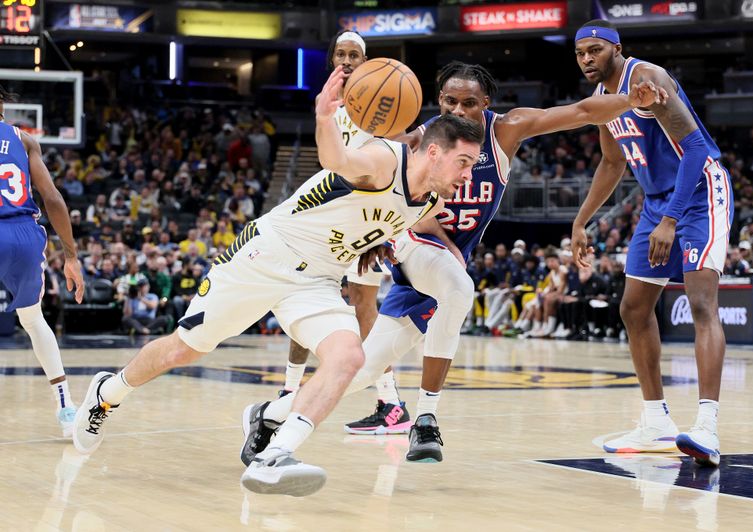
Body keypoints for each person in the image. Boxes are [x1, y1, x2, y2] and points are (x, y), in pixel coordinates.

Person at [72, 66, 484, 498]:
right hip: (265, 257)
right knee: (184, 349)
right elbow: (337, 160)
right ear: (434, 153)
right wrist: (325, 119)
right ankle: (108, 391)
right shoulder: (384, 160)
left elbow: (378, 222)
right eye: (464, 163)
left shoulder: (431, 199)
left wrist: (374, 242)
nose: (468, 175)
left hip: (317, 280)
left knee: (347, 359)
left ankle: (276, 456)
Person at [242, 60, 666, 463]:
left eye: (468, 103)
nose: (458, 110)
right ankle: (426, 418)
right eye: (449, 102)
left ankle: (268, 415)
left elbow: (583, 110)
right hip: (416, 245)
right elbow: (381, 194)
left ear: (486, 105)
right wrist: (374, 235)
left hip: (439, 265)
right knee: (460, 287)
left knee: (357, 372)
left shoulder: (506, 130)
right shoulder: (419, 142)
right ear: (439, 101)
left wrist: (632, 101)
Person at [571, 20, 733, 466]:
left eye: (596, 50)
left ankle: (707, 426)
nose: (587, 58)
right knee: (633, 308)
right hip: (658, 200)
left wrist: (670, 219)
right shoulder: (604, 101)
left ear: (617, 49)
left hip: (700, 192)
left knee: (702, 303)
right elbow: (610, 161)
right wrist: (581, 220)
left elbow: (697, 148)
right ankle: (656, 421)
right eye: (581, 52)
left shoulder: (647, 78)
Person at [278, 30, 410, 427]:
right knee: (302, 292)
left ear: (366, 61)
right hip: (332, 215)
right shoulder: (330, 106)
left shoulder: (384, 105)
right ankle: (289, 390)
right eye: (341, 53)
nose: (347, 60)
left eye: (354, 55)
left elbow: (394, 159)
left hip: (368, 218)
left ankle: (392, 403)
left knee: (364, 308)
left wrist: (385, 229)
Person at [0, 86, 85, 436]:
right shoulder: (24, 139)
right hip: (21, 235)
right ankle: (65, 408)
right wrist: (71, 256)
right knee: (34, 321)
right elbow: (53, 199)